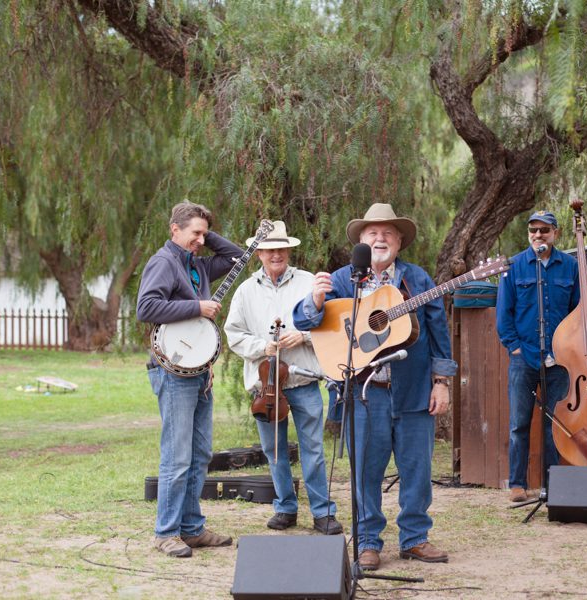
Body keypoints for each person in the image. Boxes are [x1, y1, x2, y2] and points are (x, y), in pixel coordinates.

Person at [293, 203, 455, 571]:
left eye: (388, 233)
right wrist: (316, 300)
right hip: (364, 394)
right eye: (372, 234)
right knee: (365, 470)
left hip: (413, 390)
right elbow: (303, 319)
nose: (380, 239)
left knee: (417, 468)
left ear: (399, 241)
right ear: (362, 241)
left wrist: (441, 382)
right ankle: (367, 541)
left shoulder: (418, 280)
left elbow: (439, 333)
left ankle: (414, 538)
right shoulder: (341, 279)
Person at [136, 201, 242, 558]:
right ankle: (166, 532)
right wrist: (197, 307)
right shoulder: (163, 262)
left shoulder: (196, 264)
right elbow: (146, 308)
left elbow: (237, 257)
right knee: (177, 457)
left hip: (199, 373)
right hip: (172, 373)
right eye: (193, 233)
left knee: (199, 455)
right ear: (174, 230)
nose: (200, 240)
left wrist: (206, 235)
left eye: (203, 234)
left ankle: (192, 529)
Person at [224, 221, 342, 536]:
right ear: (259, 253)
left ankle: (322, 512)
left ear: (288, 250)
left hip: (303, 381)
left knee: (313, 450)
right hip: (266, 387)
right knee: (274, 450)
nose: (275, 254)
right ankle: (285, 507)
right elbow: (233, 334)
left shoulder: (308, 283)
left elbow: (330, 326)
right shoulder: (246, 290)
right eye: (269, 250)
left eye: (280, 248)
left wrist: (302, 336)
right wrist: (262, 346)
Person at [495, 210, 580, 503]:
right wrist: (514, 347)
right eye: (533, 230)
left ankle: (552, 485)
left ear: (555, 233)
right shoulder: (514, 266)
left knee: (553, 424)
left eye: (544, 230)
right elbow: (503, 313)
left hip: (560, 361)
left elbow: (579, 312)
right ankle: (517, 484)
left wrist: (567, 349)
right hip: (524, 358)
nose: (537, 235)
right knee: (519, 423)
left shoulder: (570, 266)